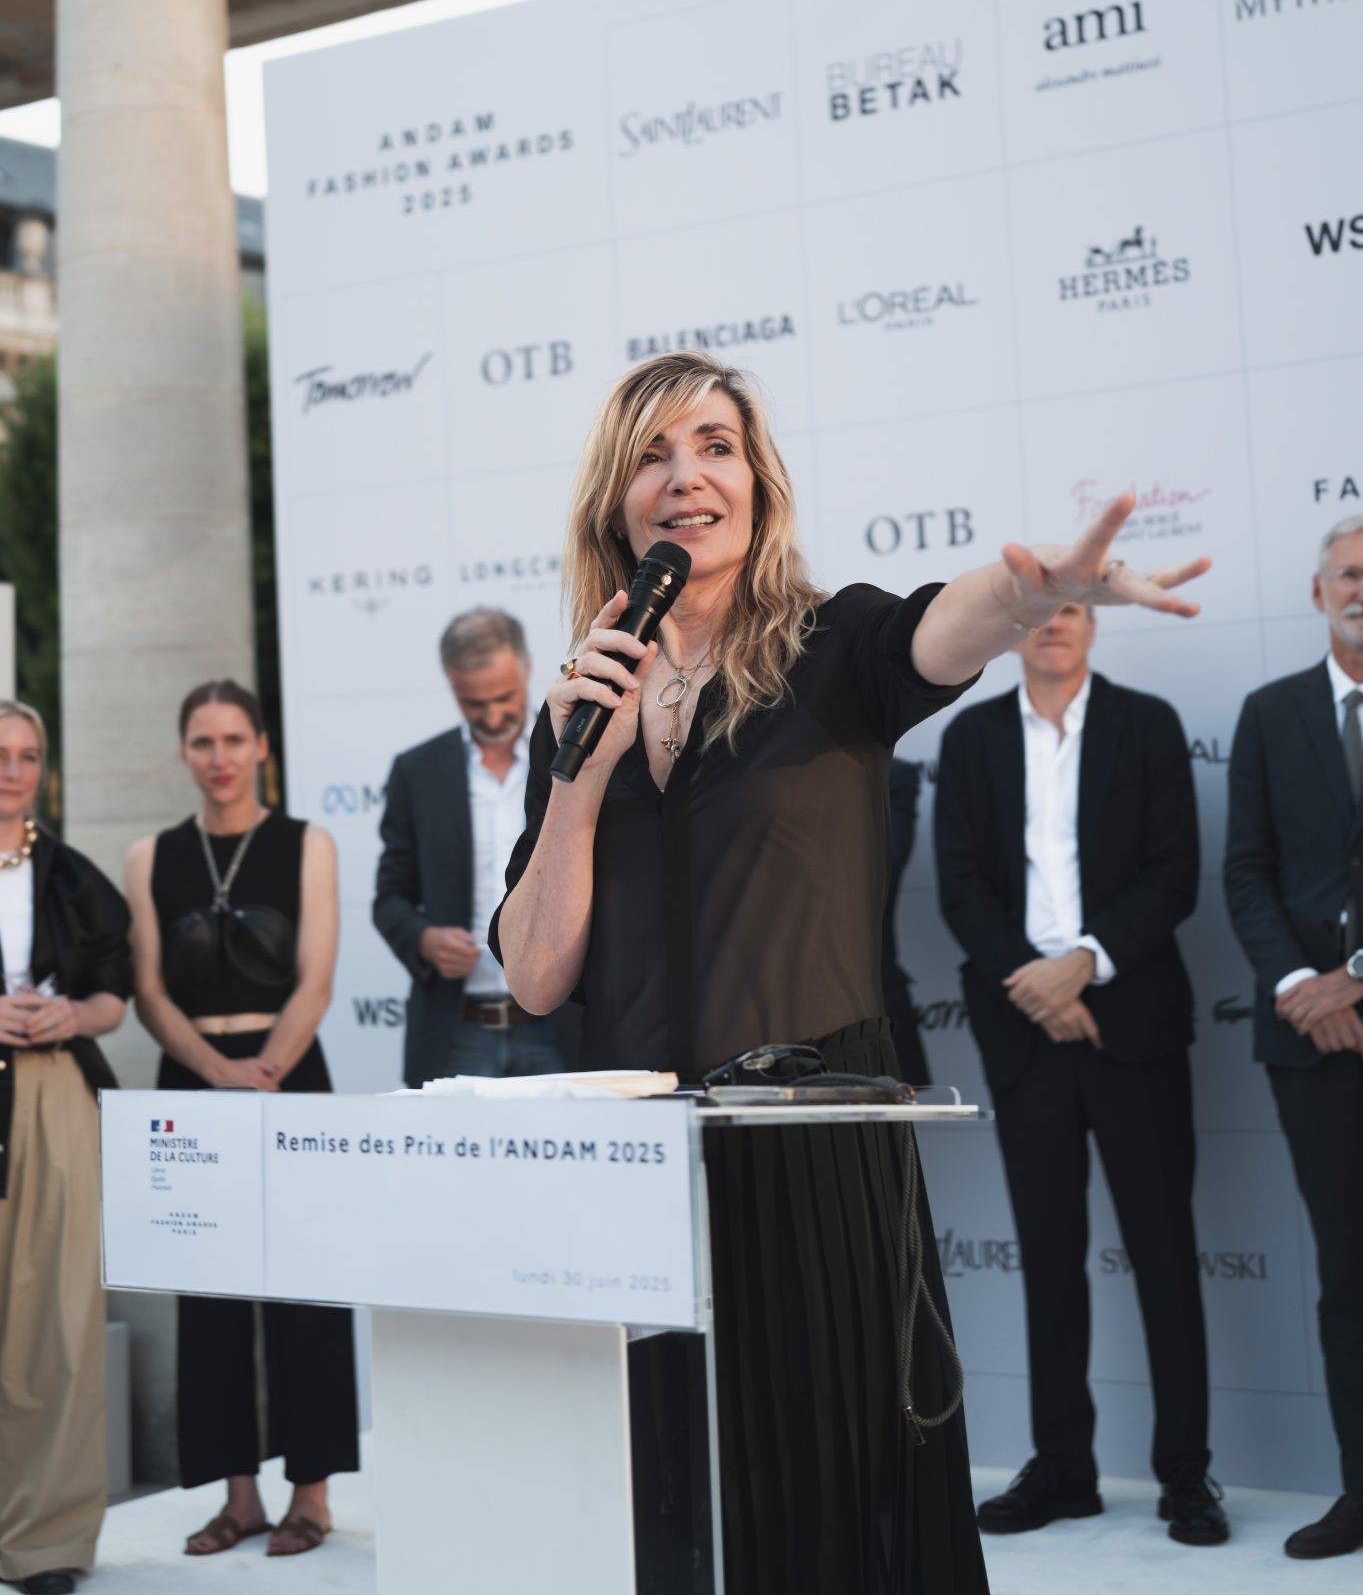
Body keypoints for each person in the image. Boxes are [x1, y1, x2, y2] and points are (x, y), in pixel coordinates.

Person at [490, 351, 1209, 1595]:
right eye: (653, 453)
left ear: (757, 484)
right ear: (615, 498)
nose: (685, 477)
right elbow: (538, 975)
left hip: (815, 1141)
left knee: (835, 1499)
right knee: (677, 1497)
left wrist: (1039, 590)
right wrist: (579, 772)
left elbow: (948, 625)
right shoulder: (584, 697)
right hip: (641, 1167)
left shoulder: (834, 648)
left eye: (714, 444)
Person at [935, 602, 1223, 1547]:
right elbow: (961, 881)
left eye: (1070, 609)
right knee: (1048, 1261)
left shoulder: (1146, 725)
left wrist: (1085, 963)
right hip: (1026, 1031)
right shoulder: (973, 735)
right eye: (1036, 611)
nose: (1053, 625)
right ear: (1012, 630)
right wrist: (1038, 984)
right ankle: (1063, 1470)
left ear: (1091, 626)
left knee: (1166, 1258)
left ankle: (1186, 1476)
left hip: (1128, 1025)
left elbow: (1173, 872)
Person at [125, 680, 359, 1561]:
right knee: (211, 1294)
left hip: (289, 1080)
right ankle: (237, 1497)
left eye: (233, 739)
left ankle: (312, 1496)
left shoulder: (308, 845)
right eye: (201, 742)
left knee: (307, 1290)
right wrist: (217, 1073)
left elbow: (318, 980)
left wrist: (260, 1076)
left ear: (262, 746)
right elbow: (147, 990)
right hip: (193, 1086)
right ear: (184, 752)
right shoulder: (151, 856)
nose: (218, 758)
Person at [1225, 512, 1363, 1562]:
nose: (1360, 585)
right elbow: (1246, 868)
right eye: (1346, 572)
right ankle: (1359, 1490)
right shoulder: (1270, 712)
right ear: (1317, 591)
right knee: (1346, 1271)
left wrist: (1352, 977)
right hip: (1310, 1045)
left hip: (1338, 1001)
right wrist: (1296, 984)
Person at [0, 700, 132, 1595]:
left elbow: (115, 998)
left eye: (27, 754)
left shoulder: (73, 876)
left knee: (58, 1326)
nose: (12, 768)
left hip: (52, 1095)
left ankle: (43, 1542)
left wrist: (69, 1013)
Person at [374, 607, 566, 1085]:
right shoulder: (416, 772)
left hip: (564, 1025)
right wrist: (423, 939)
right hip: (455, 1028)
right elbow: (390, 898)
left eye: (504, 697)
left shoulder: (575, 749)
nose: (493, 715)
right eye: (473, 703)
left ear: (525, 668)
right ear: (450, 683)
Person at [883, 757, 931, 1083]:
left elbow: (879, 872)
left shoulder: (894, 776)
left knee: (883, 1134)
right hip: (745, 1005)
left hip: (870, 998)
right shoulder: (736, 765)